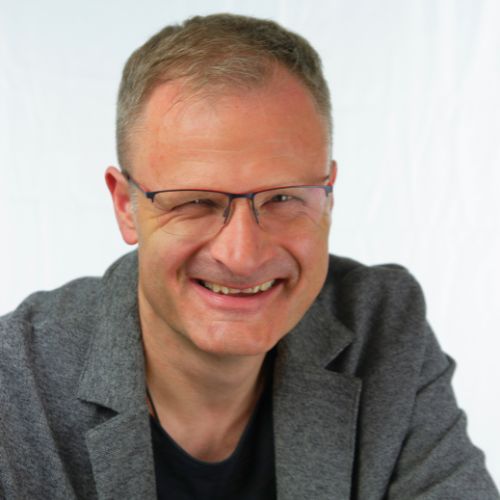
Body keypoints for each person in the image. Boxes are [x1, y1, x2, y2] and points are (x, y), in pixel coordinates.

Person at [0, 13, 498, 500]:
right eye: (196, 201)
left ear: (327, 197)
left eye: (282, 197)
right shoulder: (16, 383)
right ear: (126, 205)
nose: (241, 256)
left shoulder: (382, 327)